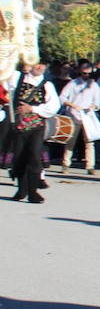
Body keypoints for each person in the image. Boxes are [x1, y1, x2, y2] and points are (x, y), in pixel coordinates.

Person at [10, 58, 59, 203]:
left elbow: (54, 106)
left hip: (36, 127)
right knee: (19, 156)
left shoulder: (47, 85)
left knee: (34, 156)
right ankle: (21, 189)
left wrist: (33, 108)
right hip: (19, 125)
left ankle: (33, 191)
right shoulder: (17, 78)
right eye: (37, 63)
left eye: (42, 65)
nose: (39, 67)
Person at [58, 61, 100, 174]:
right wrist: (73, 105)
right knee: (71, 141)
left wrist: (94, 106)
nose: (86, 76)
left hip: (87, 115)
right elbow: (62, 98)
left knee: (89, 141)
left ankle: (90, 166)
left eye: (89, 73)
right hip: (74, 115)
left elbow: (98, 100)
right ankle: (66, 164)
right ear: (80, 72)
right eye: (84, 73)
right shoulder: (73, 83)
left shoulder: (93, 84)